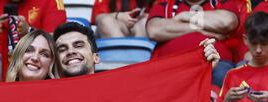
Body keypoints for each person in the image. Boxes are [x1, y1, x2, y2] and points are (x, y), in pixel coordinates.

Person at [52, 21, 221, 78]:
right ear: (56, 61)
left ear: (96, 57)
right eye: (62, 49)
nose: (70, 51)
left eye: (79, 45)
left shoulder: (118, 90)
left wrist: (200, 68)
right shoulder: (45, 95)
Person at [146, 0, 239, 87]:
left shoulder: (222, 2)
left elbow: (227, 22)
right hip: (170, 64)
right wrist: (199, 29)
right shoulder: (166, 4)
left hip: (215, 63)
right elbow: (154, 30)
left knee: (222, 75)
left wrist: (185, 16)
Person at [211, 11, 268, 102]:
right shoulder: (233, 75)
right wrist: (228, 101)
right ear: (245, 40)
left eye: (264, 43)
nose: (259, 50)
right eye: (254, 43)